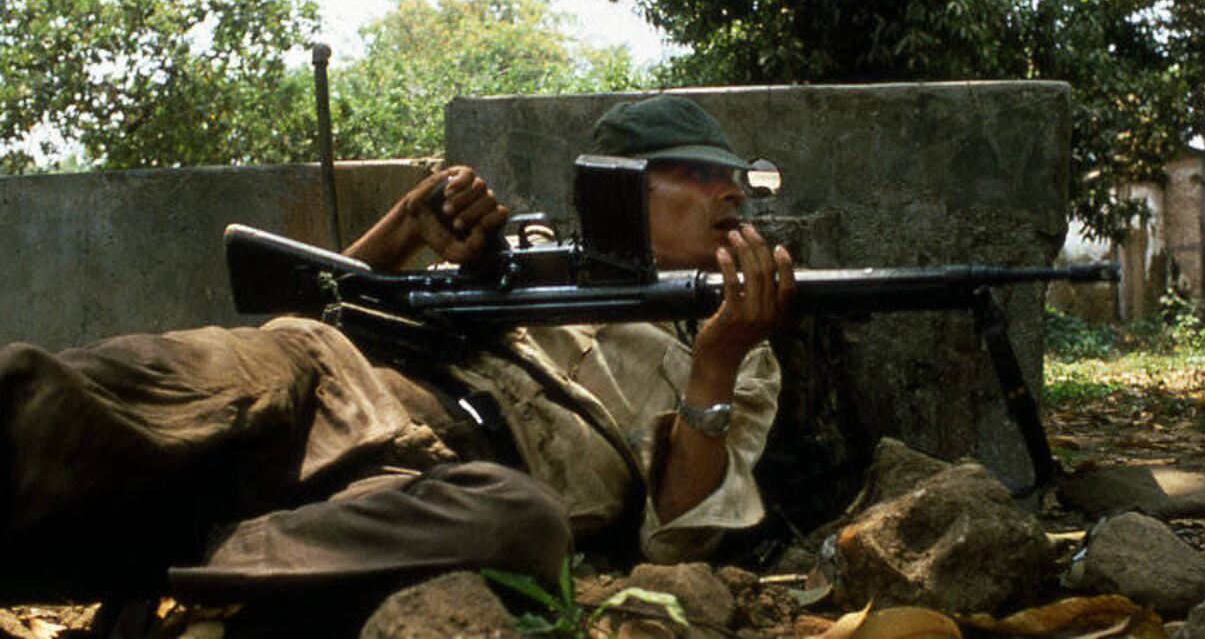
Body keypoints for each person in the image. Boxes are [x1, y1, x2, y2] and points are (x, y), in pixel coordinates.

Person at [0, 95, 794, 620]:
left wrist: (717, 362)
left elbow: (675, 539)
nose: (733, 193)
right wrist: (410, 227)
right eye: (699, 173)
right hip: (333, 378)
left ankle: (186, 586)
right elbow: (323, 311)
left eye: (738, 182)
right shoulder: (524, 247)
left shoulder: (735, 350)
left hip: (439, 475)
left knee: (526, 531)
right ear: (620, 188)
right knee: (116, 394)